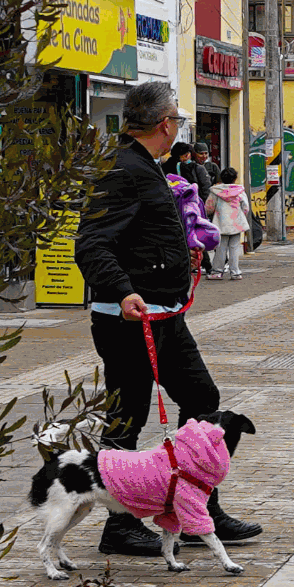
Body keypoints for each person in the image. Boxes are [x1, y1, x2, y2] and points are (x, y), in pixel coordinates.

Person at [73, 81, 263, 556]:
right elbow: (91, 243)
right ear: (164, 124)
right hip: (131, 319)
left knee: (201, 397)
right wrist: (121, 291)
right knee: (127, 415)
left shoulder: (145, 167)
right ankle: (119, 526)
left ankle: (194, 510)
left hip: (162, 317)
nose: (178, 124)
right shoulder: (123, 170)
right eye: (177, 117)